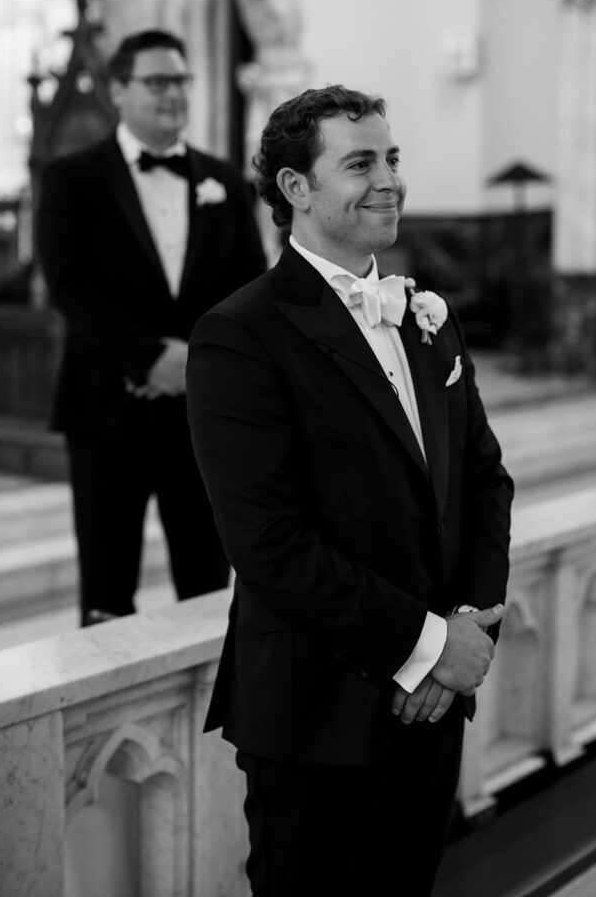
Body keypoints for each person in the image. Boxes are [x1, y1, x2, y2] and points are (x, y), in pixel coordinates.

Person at [186, 85, 514, 897]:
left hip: (433, 710)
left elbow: (482, 481)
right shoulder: (240, 334)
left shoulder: (425, 317)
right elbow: (270, 546)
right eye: (360, 162)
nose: (389, 180)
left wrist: (466, 630)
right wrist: (429, 648)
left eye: (392, 158)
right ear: (296, 189)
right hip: (317, 715)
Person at [37, 28, 266, 627]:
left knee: (206, 587)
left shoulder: (224, 181)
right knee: (107, 592)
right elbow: (69, 286)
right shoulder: (71, 179)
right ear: (119, 89)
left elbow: (249, 289)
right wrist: (144, 358)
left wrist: (195, 364)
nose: (174, 94)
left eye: (181, 81)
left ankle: (205, 715)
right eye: (157, 81)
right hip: (105, 412)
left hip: (201, 415)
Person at [190, 0, 335, 265]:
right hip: (267, 81)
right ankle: (265, 249)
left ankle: (301, 246)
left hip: (298, 79)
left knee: (307, 162)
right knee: (267, 164)